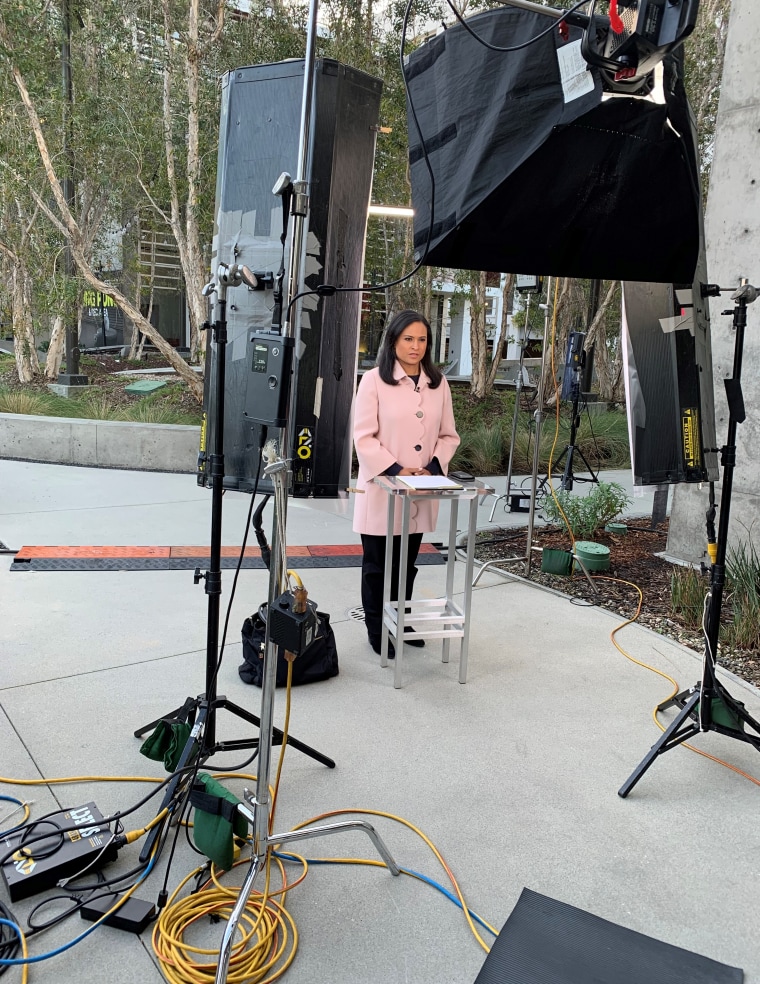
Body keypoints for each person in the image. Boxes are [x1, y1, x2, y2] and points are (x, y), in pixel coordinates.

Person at [352, 310, 460, 658]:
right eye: (408, 339)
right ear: (394, 341)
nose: (416, 346)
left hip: (421, 489)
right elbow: (363, 437)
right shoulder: (373, 380)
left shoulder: (437, 383)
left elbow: (448, 435)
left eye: (422, 339)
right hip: (383, 488)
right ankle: (376, 628)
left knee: (406, 563)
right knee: (377, 566)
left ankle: (401, 619)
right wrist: (396, 468)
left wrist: (432, 466)